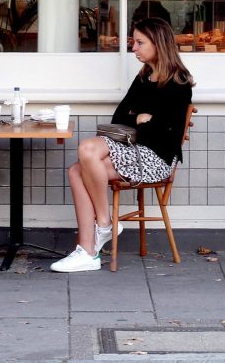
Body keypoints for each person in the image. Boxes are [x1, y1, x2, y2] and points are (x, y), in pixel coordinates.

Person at [52, 17, 194, 273]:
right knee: (76, 170)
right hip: (134, 152)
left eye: (140, 42)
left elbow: (164, 135)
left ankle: (104, 225)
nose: (134, 48)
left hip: (156, 160)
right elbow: (119, 119)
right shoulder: (144, 77)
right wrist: (141, 119)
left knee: (88, 149)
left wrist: (143, 121)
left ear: (158, 43)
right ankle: (87, 252)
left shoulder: (179, 83)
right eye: (134, 42)